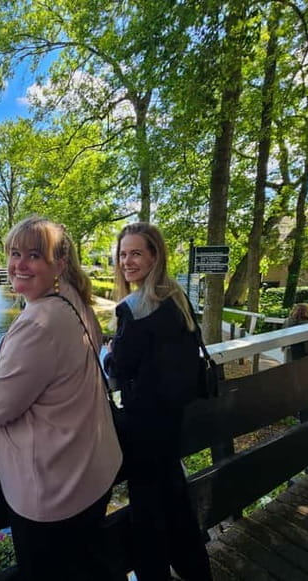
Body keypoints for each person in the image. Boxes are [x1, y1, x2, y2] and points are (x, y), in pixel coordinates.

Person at [0, 216, 122, 581]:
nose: (19, 264)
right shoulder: (74, 303)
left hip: (55, 489)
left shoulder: (38, 323)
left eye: (33, 255)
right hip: (92, 471)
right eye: (14, 254)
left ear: (59, 264)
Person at [103, 222, 212, 581]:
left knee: (147, 514)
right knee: (176, 503)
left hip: (143, 427)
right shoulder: (178, 298)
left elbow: (118, 367)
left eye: (136, 253)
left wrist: (107, 353)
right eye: (122, 254)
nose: (127, 261)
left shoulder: (133, 308)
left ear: (155, 256)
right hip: (173, 420)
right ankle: (197, 571)